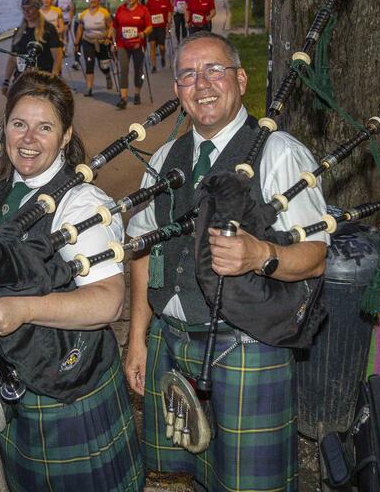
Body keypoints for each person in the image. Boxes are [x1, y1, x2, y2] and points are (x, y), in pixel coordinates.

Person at [123, 32, 329, 492]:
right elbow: (141, 249)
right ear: (177, 90)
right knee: (200, 469)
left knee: (249, 483)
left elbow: (316, 257)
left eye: (214, 69)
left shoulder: (280, 154)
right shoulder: (164, 158)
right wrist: (137, 339)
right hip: (171, 341)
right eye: (188, 75)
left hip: (247, 346)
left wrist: (263, 254)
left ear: (241, 79)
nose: (202, 84)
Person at [0, 70, 145, 491]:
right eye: (18, 124)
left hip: (69, 390)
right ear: (4, 126)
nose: (28, 139)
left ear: (65, 136)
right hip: (19, 380)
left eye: (44, 127)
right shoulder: (1, 186)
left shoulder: (80, 202)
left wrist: (23, 309)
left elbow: (106, 302)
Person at [2, 0, 64, 90]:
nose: (27, 12)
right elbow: (12, 58)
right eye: (24, 9)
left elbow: (58, 56)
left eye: (30, 8)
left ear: (37, 8)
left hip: (42, 82)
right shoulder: (19, 32)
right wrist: (6, 81)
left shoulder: (48, 29)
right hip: (21, 81)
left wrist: (53, 78)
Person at [112, 0, 152, 108]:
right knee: (123, 70)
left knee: (138, 70)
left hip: (137, 44)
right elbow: (115, 27)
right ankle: (123, 98)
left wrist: (143, 33)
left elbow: (150, 27)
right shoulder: (121, 9)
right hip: (122, 44)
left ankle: (136, 93)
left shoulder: (143, 10)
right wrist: (113, 43)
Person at [75, 0, 114, 96]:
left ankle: (107, 75)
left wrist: (108, 38)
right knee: (89, 64)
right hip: (88, 41)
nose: (93, 1)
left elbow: (111, 26)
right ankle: (89, 88)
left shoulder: (104, 12)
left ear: (98, 0)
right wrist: (76, 42)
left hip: (102, 42)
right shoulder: (84, 14)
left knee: (103, 66)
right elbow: (80, 28)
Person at [146, 0, 173, 72]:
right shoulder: (150, 1)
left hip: (162, 26)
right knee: (152, 45)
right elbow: (146, 13)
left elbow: (169, 11)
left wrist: (169, 21)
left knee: (162, 47)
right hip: (152, 27)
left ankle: (162, 56)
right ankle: (153, 65)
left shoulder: (165, 0)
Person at [71, 0, 93, 68]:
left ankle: (90, 58)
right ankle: (77, 60)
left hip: (88, 23)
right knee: (77, 42)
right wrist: (70, 21)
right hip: (78, 22)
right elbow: (72, 10)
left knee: (88, 41)